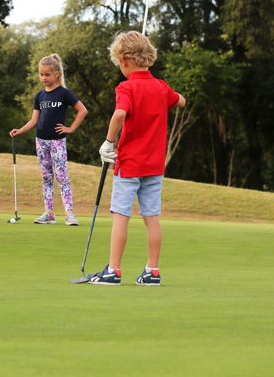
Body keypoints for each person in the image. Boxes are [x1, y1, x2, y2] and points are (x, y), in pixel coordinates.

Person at [89, 31, 185, 286]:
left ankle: (113, 271)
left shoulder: (126, 87)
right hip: (154, 166)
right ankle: (152, 271)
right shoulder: (161, 87)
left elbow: (120, 114)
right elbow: (182, 101)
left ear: (124, 61)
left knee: (121, 215)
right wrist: (163, 98)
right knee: (151, 217)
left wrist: (109, 142)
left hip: (129, 163)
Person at [9, 54, 88, 225]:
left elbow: (82, 110)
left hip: (57, 141)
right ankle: (49, 213)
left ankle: (70, 214)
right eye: (41, 74)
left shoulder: (64, 94)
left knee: (61, 176)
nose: (44, 78)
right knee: (46, 177)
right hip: (41, 140)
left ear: (57, 74)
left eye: (47, 74)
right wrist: (20, 131)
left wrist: (71, 128)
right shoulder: (40, 96)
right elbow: (34, 120)